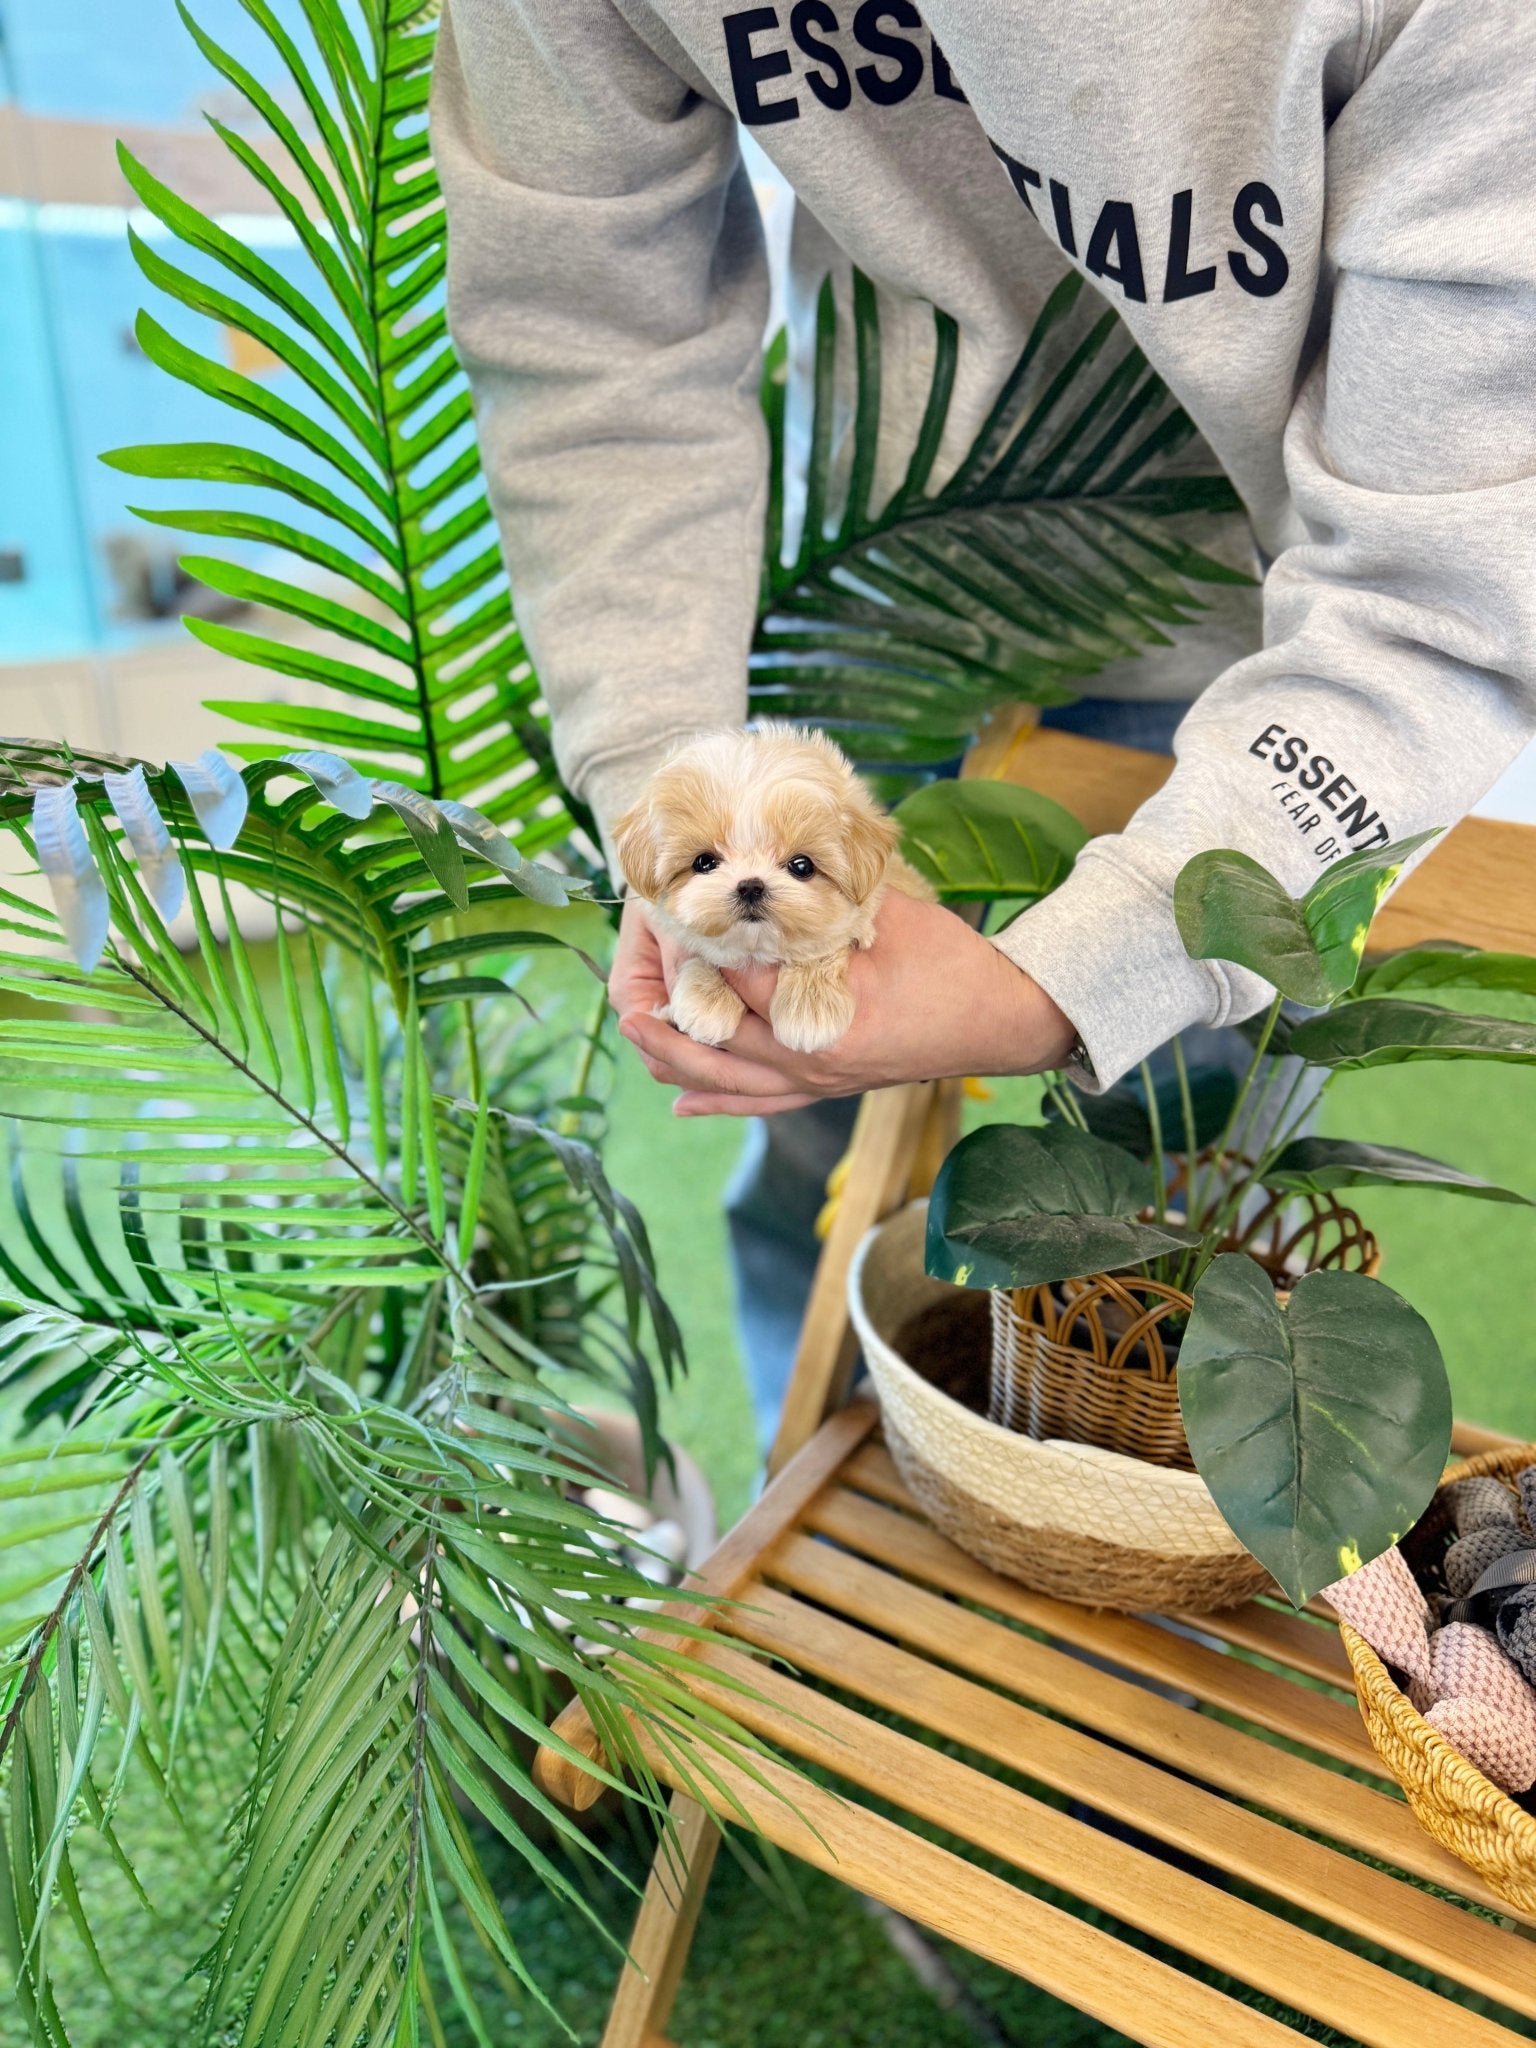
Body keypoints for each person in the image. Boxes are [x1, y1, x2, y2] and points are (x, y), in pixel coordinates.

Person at [433, 2, 1536, 1428]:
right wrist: (663, 771)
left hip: (1248, 644)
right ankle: (802, 1466)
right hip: (866, 581)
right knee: (812, 1180)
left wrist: (1075, 984)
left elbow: (1440, 589)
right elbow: (589, 332)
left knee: (1173, 1213)